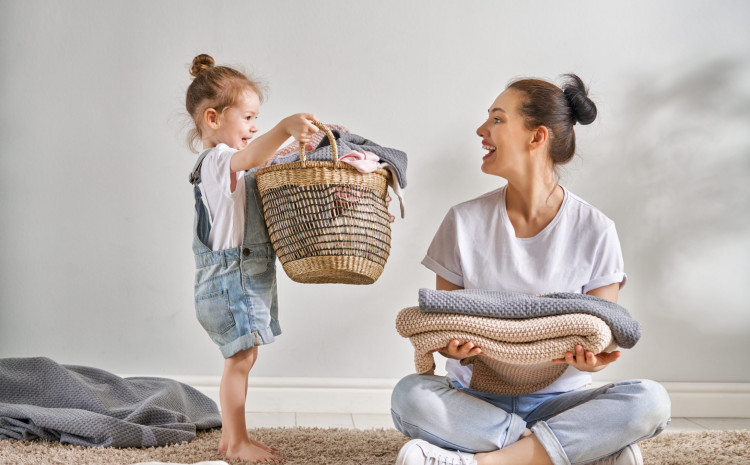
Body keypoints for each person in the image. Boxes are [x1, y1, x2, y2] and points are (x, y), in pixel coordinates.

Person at [391, 75, 671, 465]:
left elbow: (603, 331)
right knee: (409, 396)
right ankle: (571, 452)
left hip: (560, 401)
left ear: (536, 137)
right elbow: (445, 321)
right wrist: (446, 344)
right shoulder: (462, 221)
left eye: (497, 120)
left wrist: (593, 355)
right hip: (477, 400)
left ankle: (482, 460)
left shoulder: (595, 229)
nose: (481, 130)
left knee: (650, 401)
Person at [185, 54, 318, 463]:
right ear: (213, 118)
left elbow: (259, 164)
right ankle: (238, 441)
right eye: (247, 117)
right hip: (230, 281)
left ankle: (230, 438)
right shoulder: (216, 162)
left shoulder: (232, 168)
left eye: (257, 118)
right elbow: (253, 156)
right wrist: (283, 128)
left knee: (244, 357)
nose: (255, 126)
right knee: (239, 360)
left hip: (242, 277)